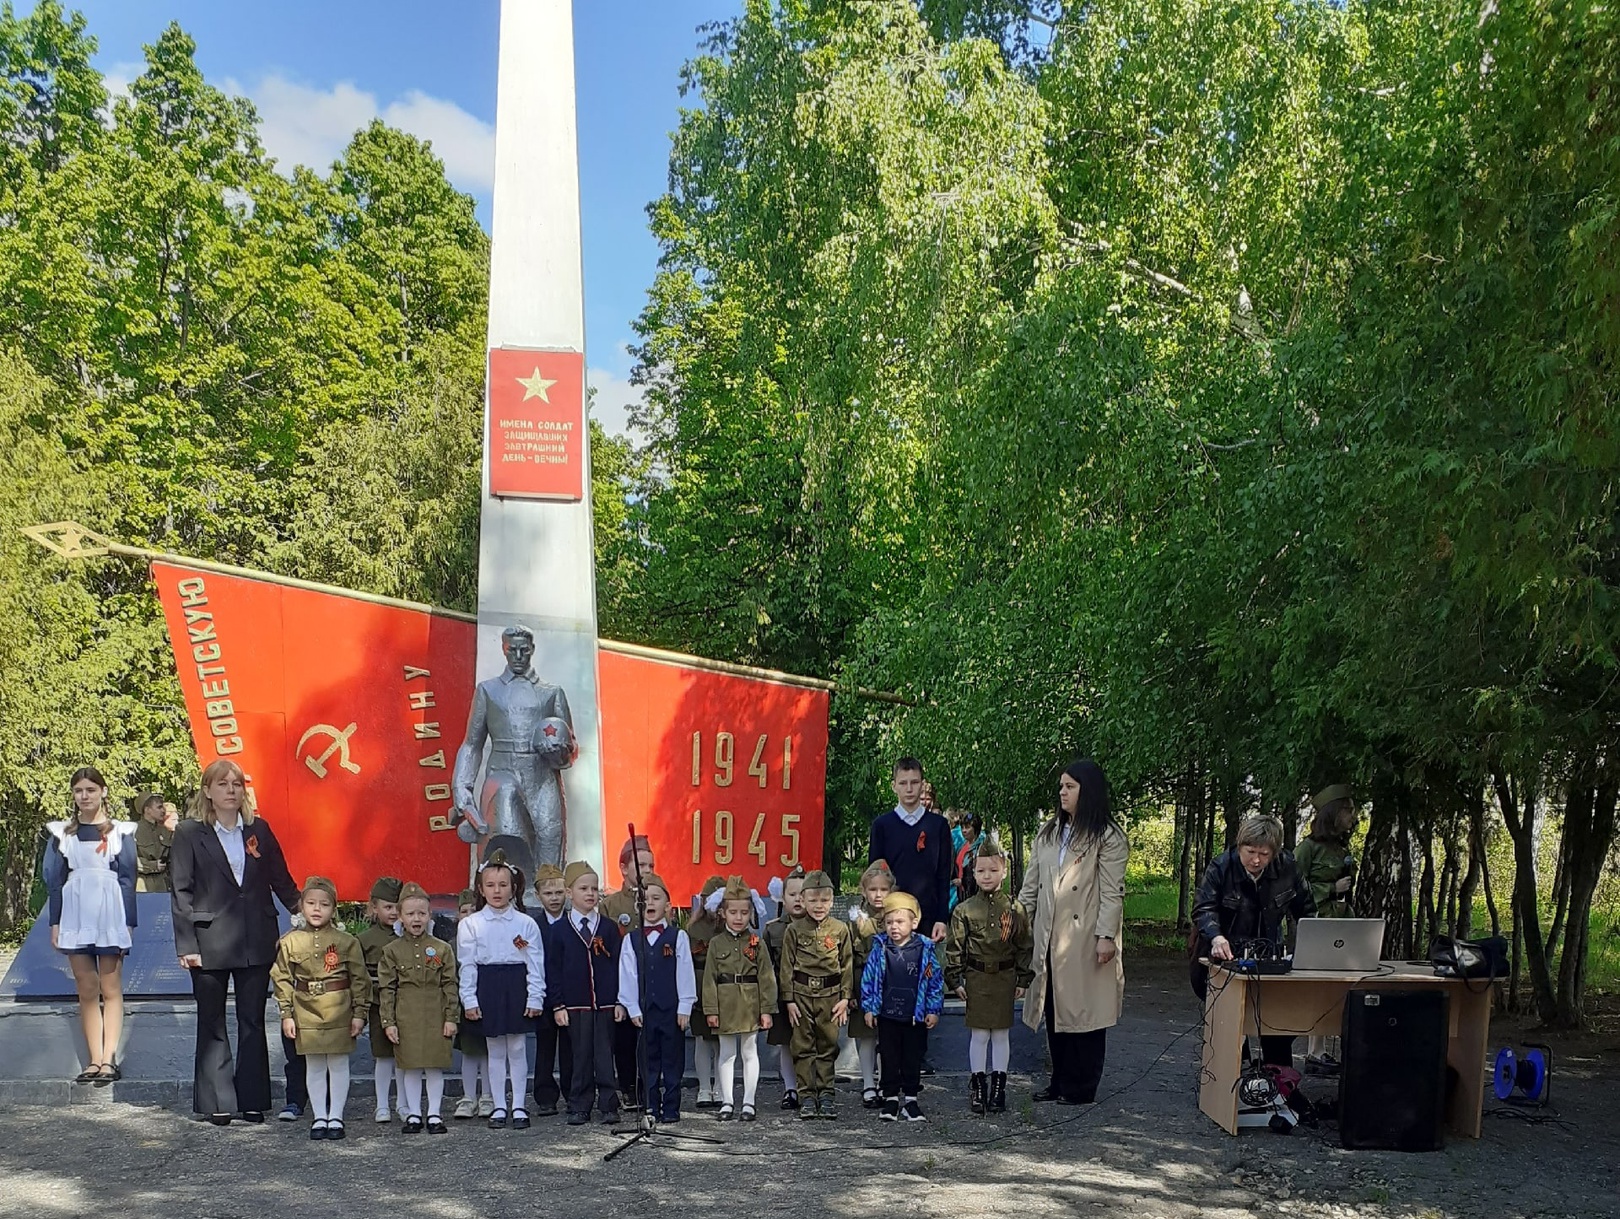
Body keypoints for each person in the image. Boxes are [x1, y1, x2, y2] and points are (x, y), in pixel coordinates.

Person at [171, 758, 300, 1125]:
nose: (231, 790)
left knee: (252, 1020)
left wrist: (303, 910)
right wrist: (186, 944)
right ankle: (217, 1102)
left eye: (237, 784)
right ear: (208, 791)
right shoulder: (189, 833)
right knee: (212, 1022)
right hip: (209, 940)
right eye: (223, 784)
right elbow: (181, 891)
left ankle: (253, 1099)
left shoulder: (257, 829)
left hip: (256, 938)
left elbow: (281, 878)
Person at [1018, 758, 1129, 1106]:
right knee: (1054, 1006)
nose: (1062, 792)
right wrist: (1019, 919)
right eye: (1061, 786)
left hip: (1086, 936)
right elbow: (1031, 883)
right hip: (1050, 935)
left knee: (1086, 1011)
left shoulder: (1107, 837)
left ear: (1088, 790)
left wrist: (1106, 936)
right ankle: (1059, 1080)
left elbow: (1113, 890)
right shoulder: (1049, 832)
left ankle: (1082, 1086)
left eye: (1070, 786)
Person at [1190, 814, 1315, 1068]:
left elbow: (1308, 911)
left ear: (1275, 852)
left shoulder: (1288, 867)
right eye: (1251, 851)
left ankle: (1278, 1082)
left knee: (1277, 1024)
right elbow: (1203, 908)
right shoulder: (1221, 867)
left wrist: (1312, 944)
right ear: (1240, 846)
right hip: (1224, 959)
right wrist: (1216, 937)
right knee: (1231, 1025)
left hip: (1270, 959)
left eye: (1264, 854)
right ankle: (1237, 1077)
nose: (1256, 860)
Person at [45, 766, 137, 1084]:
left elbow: (127, 878)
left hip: (110, 912)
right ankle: (94, 1059)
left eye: (91, 790)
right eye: (79, 791)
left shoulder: (118, 832)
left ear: (103, 792)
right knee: (86, 986)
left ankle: (110, 1057)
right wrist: (55, 922)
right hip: (76, 912)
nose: (85, 796)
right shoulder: (64, 834)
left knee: (110, 986)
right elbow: (54, 881)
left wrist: (129, 922)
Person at [271, 875, 369, 1141]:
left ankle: (335, 1115)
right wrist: (286, 1014)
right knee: (313, 1064)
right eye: (311, 903)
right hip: (305, 1009)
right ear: (301, 907)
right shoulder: (291, 942)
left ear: (333, 908)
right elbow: (281, 977)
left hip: (339, 1008)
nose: (317, 909)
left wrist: (360, 1013)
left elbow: (360, 979)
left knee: (337, 1063)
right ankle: (319, 1117)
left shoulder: (347, 942)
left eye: (324, 904)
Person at [456, 851, 545, 1130]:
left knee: (517, 1047)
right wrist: (468, 999)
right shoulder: (471, 924)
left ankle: (519, 1105)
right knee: (494, 1048)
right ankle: (498, 1106)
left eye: (503, 885)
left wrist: (535, 996)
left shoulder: (525, 923)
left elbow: (535, 962)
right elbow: (467, 964)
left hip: (516, 984)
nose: (497, 891)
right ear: (481, 889)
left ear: (513, 887)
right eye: (491, 885)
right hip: (488, 985)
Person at [946, 836, 1033, 1114]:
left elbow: (1024, 945)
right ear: (973, 872)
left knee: (1001, 1034)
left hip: (1004, 978)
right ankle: (978, 1085)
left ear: (1004, 871)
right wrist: (955, 979)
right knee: (980, 1034)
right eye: (981, 870)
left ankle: (999, 1088)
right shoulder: (964, 909)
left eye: (993, 870)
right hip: (977, 977)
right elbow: (955, 947)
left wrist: (1023, 978)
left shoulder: (1015, 908)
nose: (987, 876)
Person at [547, 860, 624, 1126]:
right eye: (583, 888)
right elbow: (553, 970)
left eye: (594, 889)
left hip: (604, 1005)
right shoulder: (559, 930)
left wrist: (618, 1000)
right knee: (579, 1057)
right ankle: (579, 1104)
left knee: (604, 1055)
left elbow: (618, 966)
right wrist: (557, 1005)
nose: (590, 894)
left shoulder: (608, 928)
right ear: (569, 892)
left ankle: (608, 1104)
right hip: (575, 1005)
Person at [379, 882, 460, 1134]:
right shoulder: (391, 951)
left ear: (429, 915)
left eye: (422, 913)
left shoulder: (441, 949)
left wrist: (451, 1017)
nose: (417, 918)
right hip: (406, 1016)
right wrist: (388, 1021)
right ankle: (414, 1114)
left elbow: (450, 985)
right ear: (401, 916)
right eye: (411, 913)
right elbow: (387, 989)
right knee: (410, 1067)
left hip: (436, 1014)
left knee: (434, 1066)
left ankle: (434, 1114)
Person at [860, 891, 944, 1122]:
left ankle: (911, 1100)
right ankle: (890, 1099)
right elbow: (869, 979)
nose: (894, 927)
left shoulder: (924, 950)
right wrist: (869, 1007)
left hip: (914, 1016)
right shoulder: (880, 949)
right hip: (887, 1015)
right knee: (889, 1057)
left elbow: (934, 980)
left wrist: (932, 1009)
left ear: (913, 922)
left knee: (912, 1057)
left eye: (899, 922)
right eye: (889, 922)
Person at [618, 872, 695, 1123]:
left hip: (671, 1010)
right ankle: (650, 1105)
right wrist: (631, 1006)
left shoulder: (677, 937)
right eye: (644, 899)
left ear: (668, 906)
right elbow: (627, 974)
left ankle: (672, 1107)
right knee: (647, 1061)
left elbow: (685, 972)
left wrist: (685, 1005)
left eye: (655, 898)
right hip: (645, 1011)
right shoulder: (631, 940)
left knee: (672, 1060)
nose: (649, 903)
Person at [1294, 785, 1359, 1071]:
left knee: (1340, 985)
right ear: (1333, 813)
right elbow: (1294, 886)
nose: (1353, 816)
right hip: (1318, 923)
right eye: (1348, 810)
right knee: (1319, 984)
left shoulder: (1341, 848)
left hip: (1342, 921)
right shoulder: (1307, 849)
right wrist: (1330, 888)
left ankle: (1326, 1049)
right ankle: (1315, 1050)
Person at [702, 876, 778, 1122]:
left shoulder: (757, 943)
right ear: (722, 913)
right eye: (733, 912)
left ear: (751, 913)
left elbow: (766, 977)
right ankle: (726, 1101)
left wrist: (767, 1009)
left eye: (744, 912)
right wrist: (711, 1009)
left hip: (750, 1004)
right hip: (725, 1004)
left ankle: (748, 1101)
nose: (738, 917)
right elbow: (710, 979)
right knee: (726, 1053)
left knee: (749, 1051)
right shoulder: (715, 943)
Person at [780, 868, 853, 1120]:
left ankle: (827, 1094)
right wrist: (788, 1000)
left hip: (831, 996)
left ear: (832, 901)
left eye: (824, 900)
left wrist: (845, 997)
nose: (818, 905)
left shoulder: (840, 929)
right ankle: (807, 1096)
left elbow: (847, 964)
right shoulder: (794, 930)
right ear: (803, 899)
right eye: (812, 900)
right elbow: (787, 966)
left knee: (827, 1045)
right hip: (800, 996)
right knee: (802, 1047)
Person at [868, 758, 953, 943]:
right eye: (903, 783)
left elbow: (944, 875)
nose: (909, 788)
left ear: (923, 785)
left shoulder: (938, 826)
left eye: (914, 782)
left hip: (928, 920)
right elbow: (874, 877)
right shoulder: (881, 826)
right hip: (891, 920)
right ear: (894, 786)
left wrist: (941, 918)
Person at [601, 834, 655, 1110]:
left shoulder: (656, 899)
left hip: (651, 981)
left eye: (650, 866)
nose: (647, 871)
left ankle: (649, 1089)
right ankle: (627, 1088)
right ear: (623, 868)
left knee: (649, 1039)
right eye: (641, 865)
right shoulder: (611, 905)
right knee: (623, 1040)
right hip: (621, 984)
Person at [846, 860, 893, 1108]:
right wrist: (849, 992)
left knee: (887, 1036)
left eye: (884, 889)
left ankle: (886, 1082)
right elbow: (846, 959)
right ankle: (867, 1084)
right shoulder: (856, 922)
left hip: (889, 984)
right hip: (861, 982)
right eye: (872, 889)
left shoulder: (897, 917)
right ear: (864, 891)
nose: (878, 895)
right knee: (865, 1037)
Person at [357, 876, 403, 1123]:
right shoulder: (364, 940)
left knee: (407, 1058)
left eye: (398, 907)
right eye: (387, 907)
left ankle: (404, 1103)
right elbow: (359, 974)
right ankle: (382, 1104)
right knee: (384, 1057)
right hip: (378, 1006)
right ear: (374, 907)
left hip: (407, 1005)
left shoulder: (409, 936)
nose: (394, 912)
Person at [762, 867, 806, 1109]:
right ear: (783, 897)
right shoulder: (773, 929)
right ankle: (790, 1089)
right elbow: (766, 967)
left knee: (811, 1043)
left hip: (811, 994)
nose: (798, 899)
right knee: (787, 1043)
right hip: (783, 996)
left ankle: (810, 1087)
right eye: (792, 894)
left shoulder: (820, 927)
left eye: (803, 894)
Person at [531, 862, 572, 1115]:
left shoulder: (573, 923)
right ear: (538, 896)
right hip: (542, 995)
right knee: (545, 1048)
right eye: (548, 894)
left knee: (570, 1048)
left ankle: (571, 1092)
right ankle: (545, 1096)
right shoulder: (532, 925)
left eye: (558, 893)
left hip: (569, 995)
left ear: (567, 892)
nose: (554, 899)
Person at [450, 888, 491, 1119]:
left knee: (486, 1052)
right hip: (462, 1005)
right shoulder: (451, 945)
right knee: (468, 1052)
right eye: (463, 911)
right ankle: (468, 1097)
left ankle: (487, 1095)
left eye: (473, 910)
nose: (468, 915)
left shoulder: (487, 939)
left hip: (485, 1002)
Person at [686, 874, 726, 1108]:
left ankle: (720, 1087)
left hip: (723, 987)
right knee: (702, 1040)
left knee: (722, 1041)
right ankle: (703, 1088)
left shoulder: (730, 926)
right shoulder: (693, 928)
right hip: (700, 986)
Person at [133, 791, 173, 894]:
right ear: (147, 810)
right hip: (144, 886)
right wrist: (152, 865)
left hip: (164, 886)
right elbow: (130, 861)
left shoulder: (165, 831)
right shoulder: (134, 830)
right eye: (159, 807)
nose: (163, 810)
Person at [951, 812, 986, 909]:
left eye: (967, 827)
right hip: (962, 895)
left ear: (976, 828)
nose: (964, 831)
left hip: (976, 898)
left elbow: (983, 874)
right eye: (962, 827)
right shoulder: (963, 846)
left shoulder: (982, 848)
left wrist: (963, 881)